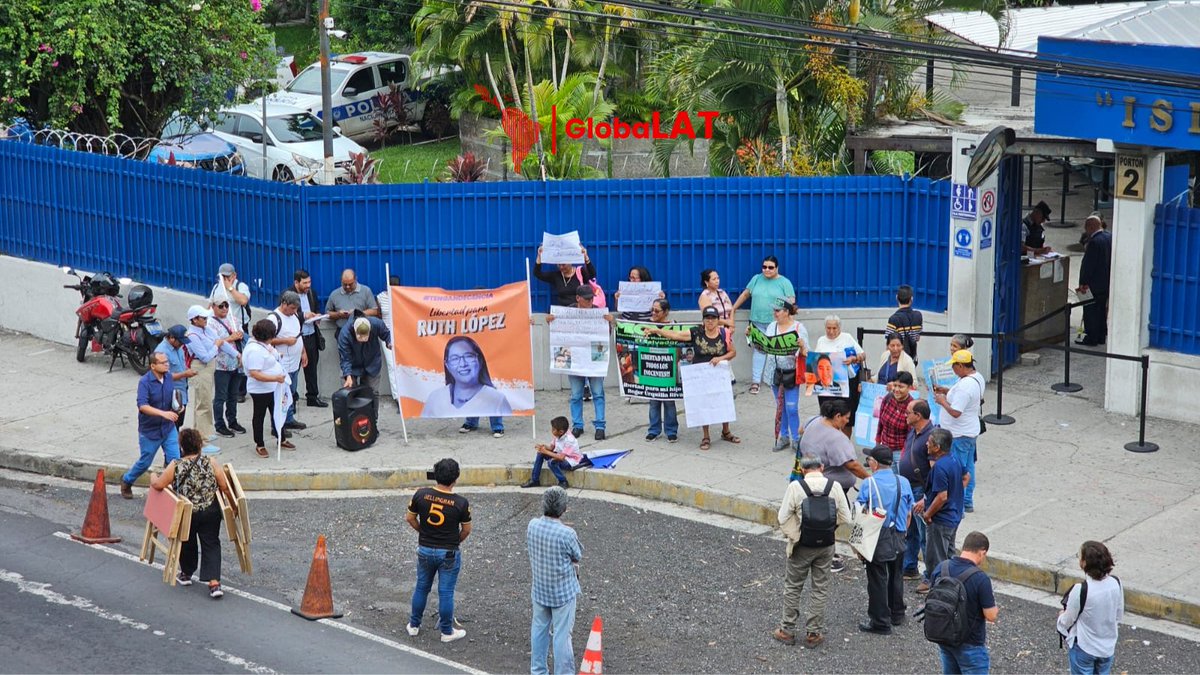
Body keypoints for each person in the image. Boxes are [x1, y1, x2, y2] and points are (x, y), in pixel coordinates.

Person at [773, 455, 851, 648]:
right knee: (820, 588)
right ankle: (813, 633)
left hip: (802, 546)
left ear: (803, 469)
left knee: (793, 587)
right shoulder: (835, 486)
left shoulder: (795, 487)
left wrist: (796, 535)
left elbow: (782, 518)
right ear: (822, 467)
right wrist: (828, 530)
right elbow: (846, 516)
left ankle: (787, 630)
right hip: (825, 546)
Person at [151, 427, 234, 599]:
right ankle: (214, 583)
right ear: (200, 445)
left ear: (182, 446)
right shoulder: (210, 462)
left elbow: (159, 485)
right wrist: (232, 506)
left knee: (187, 541)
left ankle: (186, 573)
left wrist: (152, 476)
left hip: (187, 511)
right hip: (211, 510)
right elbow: (224, 486)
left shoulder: (176, 465)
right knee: (211, 542)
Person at [647, 305, 741, 450]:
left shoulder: (724, 333)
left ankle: (726, 431)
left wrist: (720, 358)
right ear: (703, 320)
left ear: (717, 320)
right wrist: (658, 331)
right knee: (704, 404)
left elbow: (733, 353)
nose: (710, 321)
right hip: (701, 375)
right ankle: (706, 436)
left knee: (723, 402)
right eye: (707, 318)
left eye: (713, 318)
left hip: (719, 374)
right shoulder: (696, 332)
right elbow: (677, 335)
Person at [795, 398, 868, 573]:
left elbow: (800, 430)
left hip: (811, 480)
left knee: (823, 517)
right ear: (837, 416)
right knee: (833, 518)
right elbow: (852, 465)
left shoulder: (813, 420)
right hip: (831, 487)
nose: (847, 421)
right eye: (846, 418)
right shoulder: (836, 438)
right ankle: (825, 553)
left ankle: (816, 548)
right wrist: (870, 478)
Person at [406, 458, 471, 643]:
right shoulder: (461, 503)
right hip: (448, 552)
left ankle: (414, 625)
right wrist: (453, 541)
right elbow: (466, 530)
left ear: (436, 475)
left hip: (425, 549)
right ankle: (446, 632)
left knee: (422, 587)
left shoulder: (421, 494)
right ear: (455, 479)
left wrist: (422, 531)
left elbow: (410, 518)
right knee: (446, 592)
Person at [856, 446, 915, 635]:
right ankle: (897, 612)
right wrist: (903, 532)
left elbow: (859, 514)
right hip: (898, 534)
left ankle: (880, 621)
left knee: (877, 578)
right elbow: (908, 513)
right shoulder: (903, 482)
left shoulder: (869, 484)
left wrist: (858, 545)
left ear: (874, 463)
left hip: (877, 536)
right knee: (896, 575)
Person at [527, 486, 583, 675]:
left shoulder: (532, 525)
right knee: (561, 636)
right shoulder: (567, 533)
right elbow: (577, 555)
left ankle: (538, 670)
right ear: (563, 509)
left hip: (540, 589)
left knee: (539, 630)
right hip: (562, 592)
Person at [546, 284, 611, 440]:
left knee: (597, 393)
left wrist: (610, 322)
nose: (590, 302)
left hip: (593, 360)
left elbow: (606, 334)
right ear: (578, 298)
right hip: (576, 360)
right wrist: (551, 321)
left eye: (591, 299)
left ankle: (600, 426)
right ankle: (577, 426)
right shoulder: (567, 312)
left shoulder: (598, 312)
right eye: (586, 299)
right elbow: (557, 331)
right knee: (576, 395)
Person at [928, 531, 998, 674]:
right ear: (982, 553)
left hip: (945, 637)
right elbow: (991, 615)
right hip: (971, 644)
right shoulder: (980, 578)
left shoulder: (942, 567)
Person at [120, 352, 180, 499]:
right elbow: (142, 406)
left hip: (168, 428)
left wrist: (178, 407)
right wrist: (163, 413)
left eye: (167, 362)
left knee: (175, 461)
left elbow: (173, 396)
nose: (166, 364)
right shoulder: (145, 382)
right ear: (153, 366)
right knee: (145, 462)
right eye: (162, 362)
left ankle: (172, 491)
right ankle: (127, 480)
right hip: (150, 431)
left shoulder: (168, 378)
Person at [731, 255, 795, 394]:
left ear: (777, 268)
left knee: (776, 351)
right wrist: (734, 308)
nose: (767, 270)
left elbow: (791, 301)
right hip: (757, 321)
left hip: (776, 323)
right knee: (759, 351)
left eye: (771, 267)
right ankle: (756, 382)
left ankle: (776, 380)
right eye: (764, 267)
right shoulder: (756, 279)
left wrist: (786, 317)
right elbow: (745, 294)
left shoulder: (784, 282)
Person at [1058, 541, 1123, 675]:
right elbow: (1118, 614)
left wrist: (1060, 617)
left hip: (1084, 647)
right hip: (1107, 648)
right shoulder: (1116, 583)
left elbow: (1068, 620)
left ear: (1084, 563)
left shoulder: (1081, 590)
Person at [915, 428, 968, 594]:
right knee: (949, 552)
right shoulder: (954, 459)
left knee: (936, 555)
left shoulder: (939, 467)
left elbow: (942, 497)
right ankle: (953, 583)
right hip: (954, 515)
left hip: (941, 519)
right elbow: (966, 477)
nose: (926, 444)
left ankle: (940, 589)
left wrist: (928, 513)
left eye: (929, 442)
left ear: (937, 447)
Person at [933, 350, 985, 513]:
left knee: (958, 472)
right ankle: (967, 501)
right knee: (968, 468)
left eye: (954, 366)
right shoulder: (976, 378)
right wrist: (946, 390)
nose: (953, 370)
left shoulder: (965, 386)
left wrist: (942, 401)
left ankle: (958, 505)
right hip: (969, 432)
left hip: (959, 435)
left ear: (961, 366)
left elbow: (956, 411)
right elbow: (961, 397)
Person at [186, 304, 238, 454]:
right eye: (203, 318)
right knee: (203, 405)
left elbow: (222, 343)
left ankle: (203, 432)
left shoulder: (206, 330)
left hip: (209, 368)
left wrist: (236, 355)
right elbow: (204, 356)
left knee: (204, 402)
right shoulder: (193, 336)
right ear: (194, 320)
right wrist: (216, 346)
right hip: (201, 368)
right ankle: (202, 440)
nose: (206, 320)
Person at [422, 335, 513, 418]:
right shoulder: (435, 398)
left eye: (469, 356)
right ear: (447, 365)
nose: (463, 364)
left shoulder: (497, 400)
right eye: (455, 359)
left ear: (480, 360)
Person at [243, 318, 291, 458]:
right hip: (260, 389)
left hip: (273, 387)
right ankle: (260, 444)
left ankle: (280, 438)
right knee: (259, 416)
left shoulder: (262, 344)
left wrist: (277, 355)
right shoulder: (254, 350)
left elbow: (270, 350)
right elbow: (255, 373)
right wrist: (275, 378)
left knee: (277, 412)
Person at [899, 400, 936, 581]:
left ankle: (930, 576)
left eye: (908, 413)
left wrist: (926, 497)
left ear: (918, 416)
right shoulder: (914, 431)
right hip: (909, 488)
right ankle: (909, 567)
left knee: (924, 536)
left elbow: (935, 471)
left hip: (920, 491)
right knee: (910, 530)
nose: (905, 415)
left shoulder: (932, 437)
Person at [765, 301, 808, 452]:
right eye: (774, 310)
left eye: (778, 310)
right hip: (775, 372)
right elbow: (764, 348)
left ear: (787, 312)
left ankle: (796, 438)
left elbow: (806, 353)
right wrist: (752, 339)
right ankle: (784, 437)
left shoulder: (798, 328)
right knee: (780, 406)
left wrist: (802, 345)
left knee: (792, 407)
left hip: (791, 373)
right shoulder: (772, 326)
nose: (775, 313)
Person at [816, 315, 865, 438]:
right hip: (826, 387)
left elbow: (863, 355)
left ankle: (844, 443)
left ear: (839, 327)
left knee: (845, 416)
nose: (831, 331)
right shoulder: (821, 340)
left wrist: (854, 358)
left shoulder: (847, 338)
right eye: (828, 328)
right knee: (828, 415)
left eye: (834, 328)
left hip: (846, 384)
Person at [266, 291, 308, 432]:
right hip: (281, 364)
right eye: (292, 308)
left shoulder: (294, 315)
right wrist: (285, 341)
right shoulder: (274, 318)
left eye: (296, 308)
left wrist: (303, 352)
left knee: (291, 393)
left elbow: (299, 335)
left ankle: (289, 419)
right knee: (280, 396)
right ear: (284, 304)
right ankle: (277, 425)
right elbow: (267, 340)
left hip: (294, 363)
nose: (294, 311)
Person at [211, 263, 252, 401]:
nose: (224, 279)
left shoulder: (241, 287)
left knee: (241, 355)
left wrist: (230, 288)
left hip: (238, 326)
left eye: (227, 276)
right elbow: (211, 304)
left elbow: (243, 300)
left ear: (234, 276)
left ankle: (240, 390)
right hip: (222, 325)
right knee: (227, 354)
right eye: (222, 277)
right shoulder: (217, 287)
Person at [208, 299, 245, 437]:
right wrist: (230, 338)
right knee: (220, 396)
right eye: (221, 306)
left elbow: (240, 332)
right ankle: (219, 424)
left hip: (235, 362)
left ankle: (232, 420)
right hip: (221, 364)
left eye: (226, 306)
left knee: (233, 395)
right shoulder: (210, 323)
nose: (224, 309)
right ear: (213, 307)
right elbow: (214, 342)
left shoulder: (233, 319)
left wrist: (239, 335)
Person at [644, 298, 679, 442]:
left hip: (668, 367)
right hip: (652, 367)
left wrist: (675, 362)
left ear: (666, 312)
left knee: (669, 400)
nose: (653, 313)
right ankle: (654, 430)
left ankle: (671, 430)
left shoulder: (674, 326)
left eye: (657, 310)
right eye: (652, 310)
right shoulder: (647, 325)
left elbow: (679, 344)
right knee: (654, 400)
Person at [292, 269, 327, 408]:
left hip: (311, 334)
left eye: (309, 282)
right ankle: (292, 400)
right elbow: (288, 314)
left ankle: (312, 396)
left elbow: (316, 308)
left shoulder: (312, 293)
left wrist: (317, 317)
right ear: (296, 282)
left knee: (312, 368)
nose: (308, 285)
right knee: (294, 370)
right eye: (305, 283)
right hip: (296, 336)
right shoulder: (289, 295)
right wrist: (304, 315)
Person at [1077, 213, 1112, 346]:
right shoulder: (1109, 237)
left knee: (1091, 311)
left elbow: (1088, 265)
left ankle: (1091, 337)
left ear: (1090, 227)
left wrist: (1083, 282)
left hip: (1093, 284)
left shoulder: (1094, 242)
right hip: (1106, 282)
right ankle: (1101, 335)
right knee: (1101, 310)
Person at [377, 276, 410, 414]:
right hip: (386, 335)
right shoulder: (380, 298)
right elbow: (379, 315)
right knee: (392, 366)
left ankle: (408, 396)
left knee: (404, 365)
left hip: (402, 335)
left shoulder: (403, 297)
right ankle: (398, 398)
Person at [522, 417, 583, 489]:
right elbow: (551, 448)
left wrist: (546, 451)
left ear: (561, 432)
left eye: (553, 429)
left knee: (552, 462)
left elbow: (561, 457)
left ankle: (563, 481)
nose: (552, 431)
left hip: (570, 461)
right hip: (560, 456)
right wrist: (543, 447)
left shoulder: (569, 440)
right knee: (540, 453)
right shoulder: (558, 435)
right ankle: (535, 480)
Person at [338, 315, 393, 395]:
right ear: (355, 331)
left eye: (365, 336)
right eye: (360, 337)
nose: (363, 339)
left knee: (372, 393)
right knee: (349, 393)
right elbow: (345, 358)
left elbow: (387, 334)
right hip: (352, 364)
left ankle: (372, 407)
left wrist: (389, 342)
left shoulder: (377, 324)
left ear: (370, 331)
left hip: (372, 362)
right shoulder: (344, 334)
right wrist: (348, 375)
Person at [155, 325, 195, 431]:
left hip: (181, 393)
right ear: (172, 338)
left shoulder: (178, 348)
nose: (182, 345)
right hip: (170, 395)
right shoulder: (161, 352)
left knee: (178, 423)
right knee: (172, 426)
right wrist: (184, 374)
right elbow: (163, 376)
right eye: (180, 342)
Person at [325, 269, 379, 333]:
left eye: (350, 284)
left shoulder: (366, 291)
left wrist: (358, 313)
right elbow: (327, 313)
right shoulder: (334, 294)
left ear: (356, 279)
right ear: (341, 281)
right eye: (345, 284)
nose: (347, 287)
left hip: (362, 330)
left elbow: (374, 311)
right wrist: (338, 314)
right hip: (342, 331)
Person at [875, 372, 914, 457]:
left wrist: (905, 455)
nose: (896, 389)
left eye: (901, 387)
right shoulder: (888, 398)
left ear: (909, 387)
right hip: (884, 447)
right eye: (895, 385)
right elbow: (880, 423)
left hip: (900, 452)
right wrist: (877, 444)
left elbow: (911, 436)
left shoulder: (911, 406)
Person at [885, 285, 924, 359]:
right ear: (911, 299)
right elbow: (917, 337)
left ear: (897, 298)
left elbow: (889, 343)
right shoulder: (918, 316)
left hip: (897, 358)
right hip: (912, 357)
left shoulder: (893, 319)